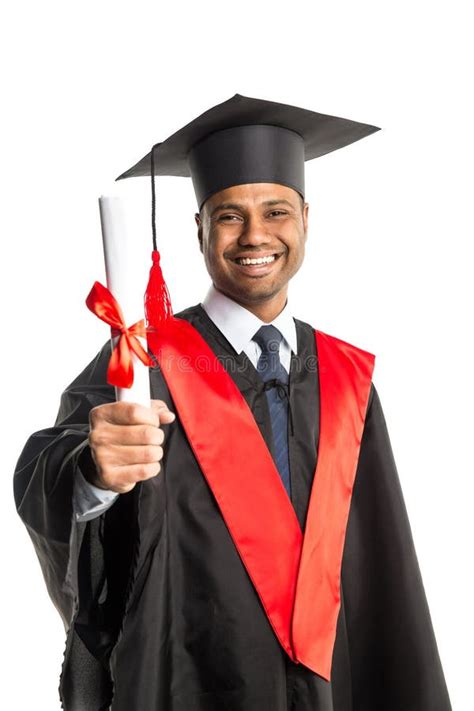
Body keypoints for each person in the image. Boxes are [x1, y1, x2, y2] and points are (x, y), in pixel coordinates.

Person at [14, 94, 452, 711]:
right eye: (229, 216)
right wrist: (93, 469)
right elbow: (43, 468)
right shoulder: (145, 359)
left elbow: (380, 560)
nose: (255, 236)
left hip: (333, 678)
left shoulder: (346, 377)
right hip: (192, 671)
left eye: (276, 211)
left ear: (305, 218)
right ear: (199, 229)